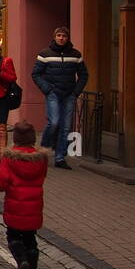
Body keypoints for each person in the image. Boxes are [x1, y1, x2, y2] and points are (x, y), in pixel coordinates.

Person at [0, 120, 48, 269]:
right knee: (31, 240)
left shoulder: (9, 158)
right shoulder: (41, 159)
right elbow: (43, 176)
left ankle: (22, 260)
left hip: (15, 207)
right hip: (34, 208)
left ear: (15, 138)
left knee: (13, 236)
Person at [31, 26, 88, 170]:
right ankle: (43, 150)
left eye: (64, 36)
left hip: (69, 94)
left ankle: (60, 157)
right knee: (54, 122)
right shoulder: (45, 54)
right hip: (53, 93)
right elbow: (36, 74)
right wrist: (47, 89)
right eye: (59, 35)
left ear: (68, 38)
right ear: (54, 37)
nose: (61, 38)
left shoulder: (75, 55)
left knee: (66, 127)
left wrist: (76, 92)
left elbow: (84, 75)